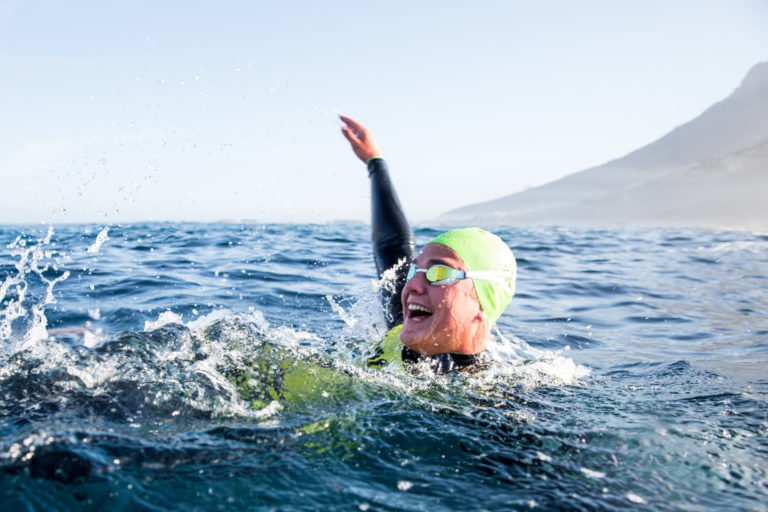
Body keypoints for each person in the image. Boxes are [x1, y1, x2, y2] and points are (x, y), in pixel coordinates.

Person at [340, 115, 517, 373]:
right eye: (416, 270)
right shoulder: (402, 328)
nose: (412, 284)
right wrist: (374, 161)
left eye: (440, 273)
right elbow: (392, 245)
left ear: (482, 306)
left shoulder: (501, 393)